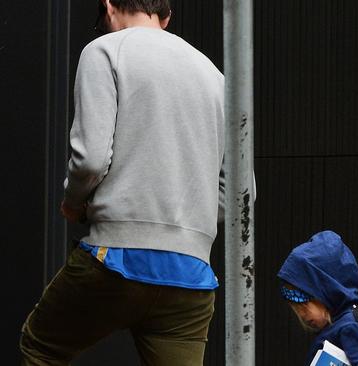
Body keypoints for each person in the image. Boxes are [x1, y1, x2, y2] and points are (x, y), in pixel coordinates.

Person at [19, 0, 228, 364]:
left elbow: (91, 160)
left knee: (41, 347)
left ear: (109, 5)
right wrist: (187, 221)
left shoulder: (104, 51)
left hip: (116, 258)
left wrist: (74, 202)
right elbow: (241, 192)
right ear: (165, 17)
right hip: (191, 274)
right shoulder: (215, 76)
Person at [277, 230, 358, 366]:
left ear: (327, 292)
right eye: (296, 309)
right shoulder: (337, 325)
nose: (302, 315)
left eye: (304, 305)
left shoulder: (352, 327)